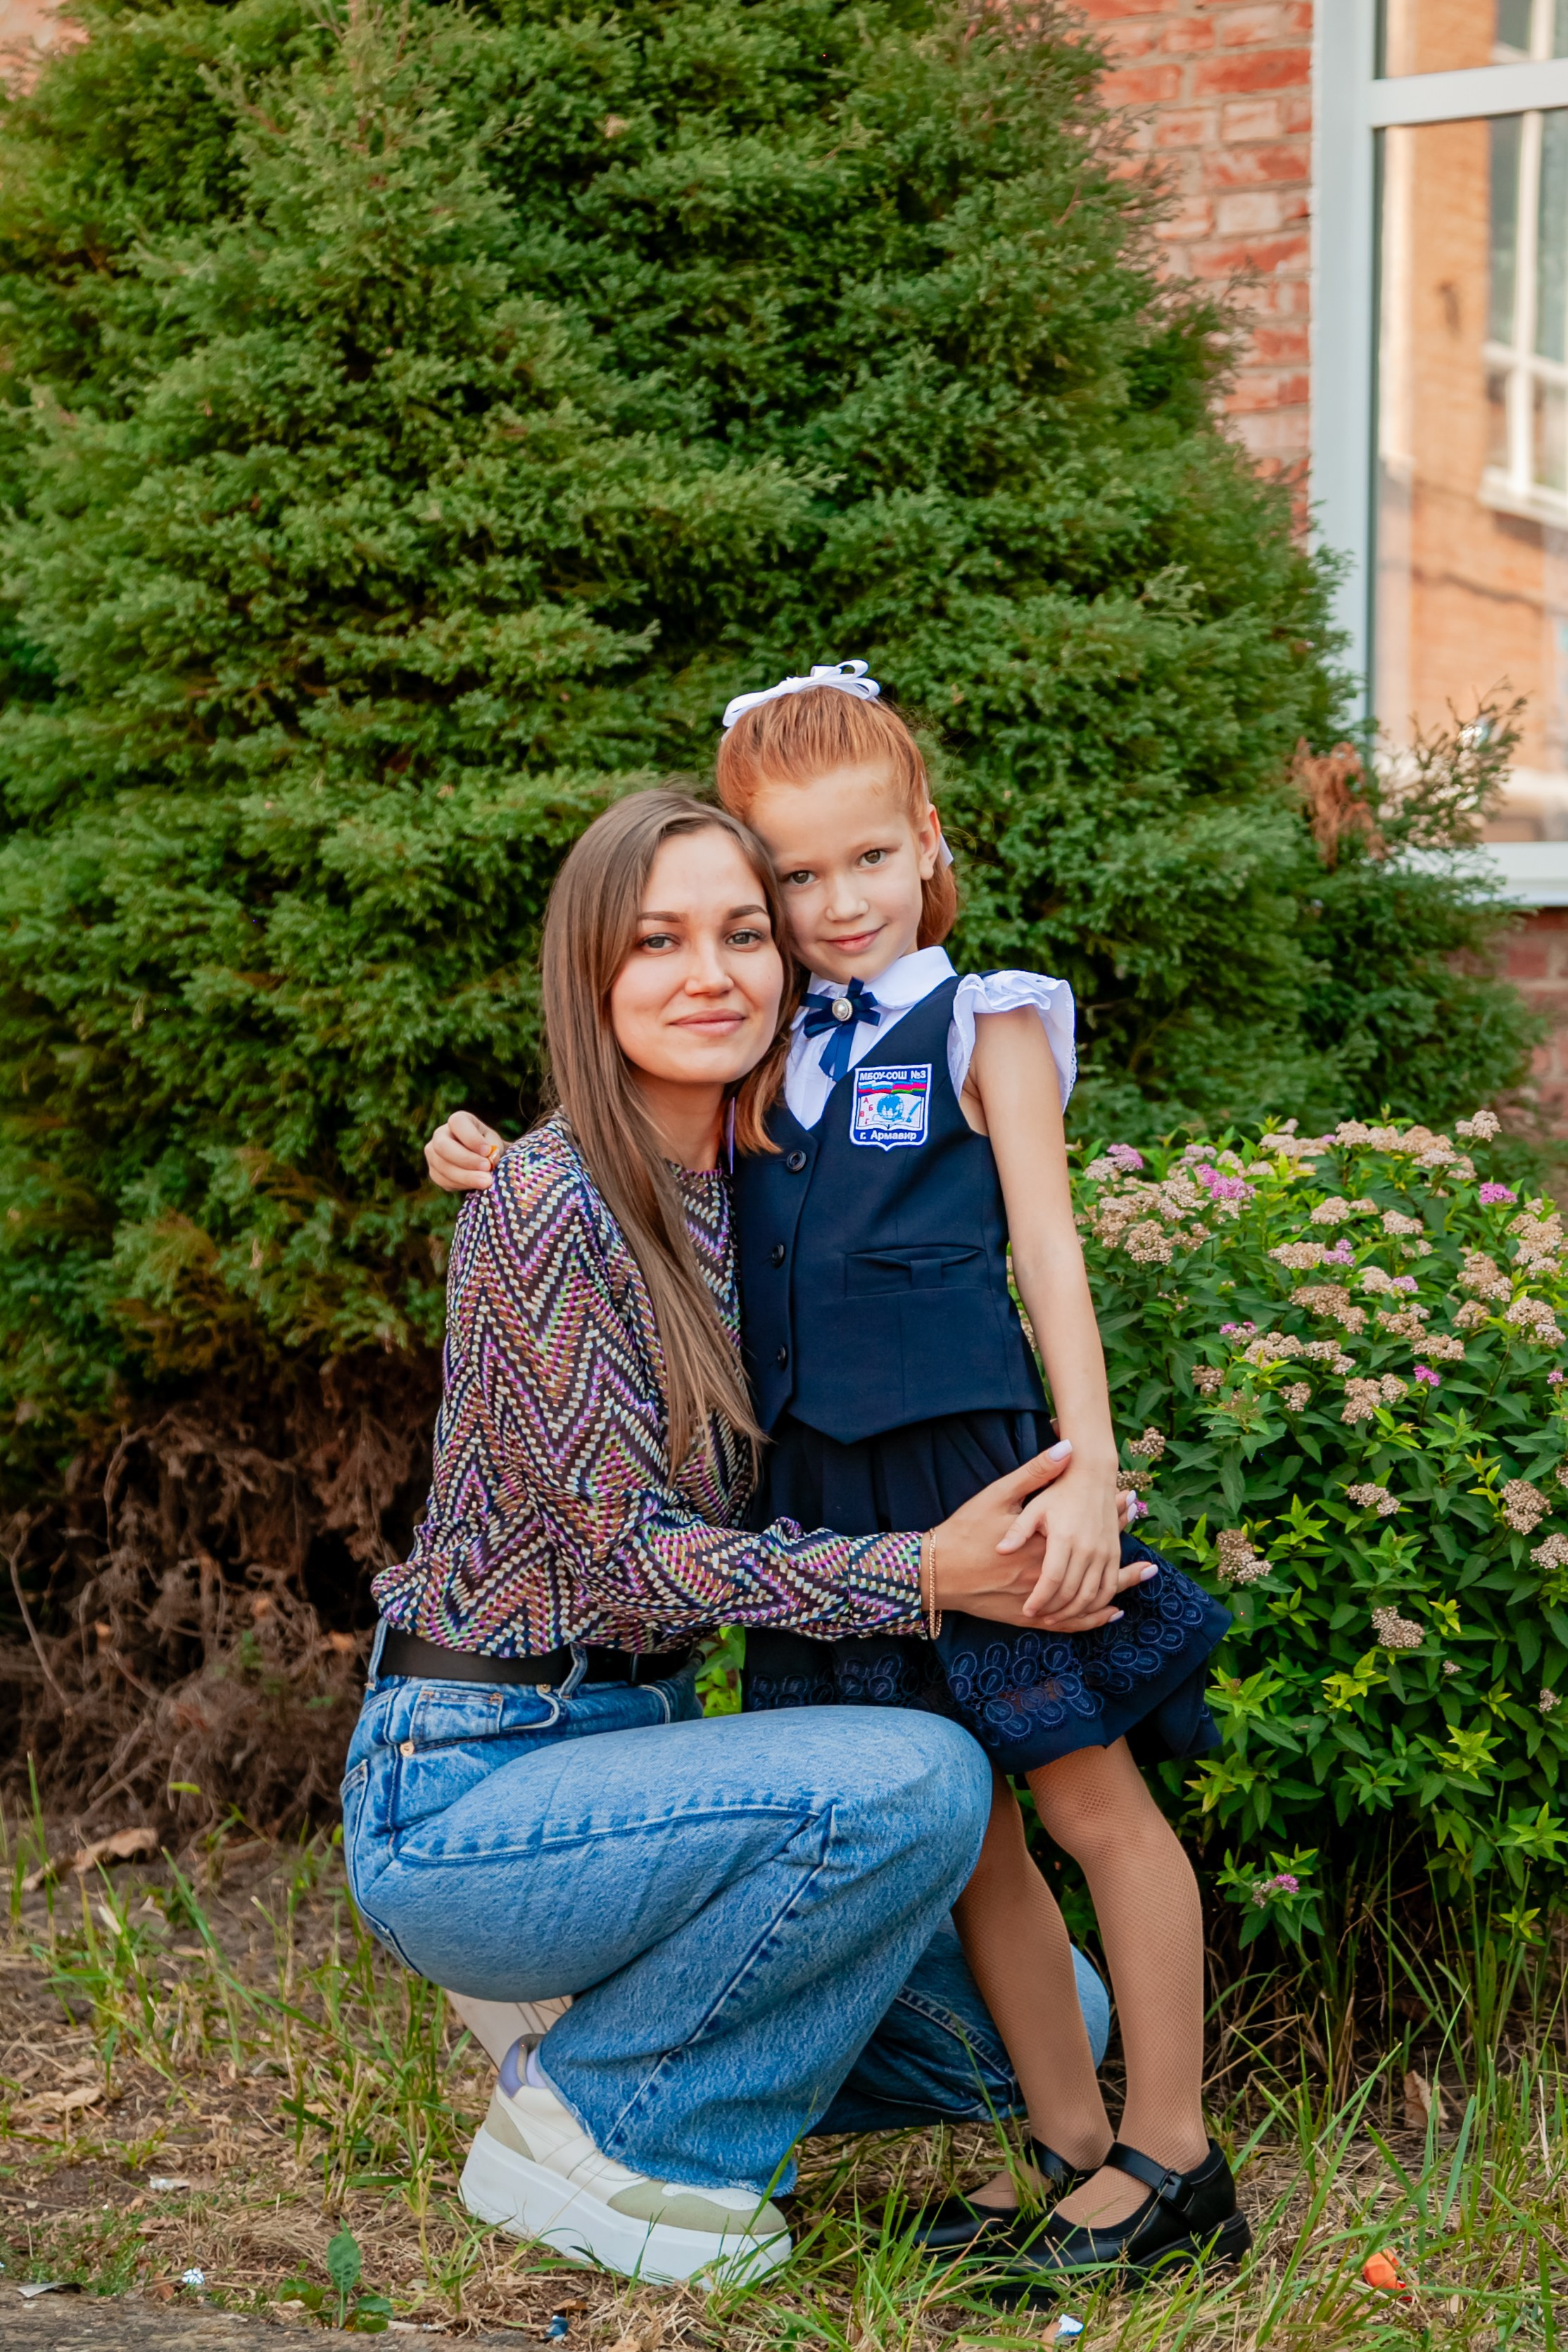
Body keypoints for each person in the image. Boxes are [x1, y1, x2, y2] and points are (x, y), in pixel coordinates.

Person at [429, 669, 1245, 2296]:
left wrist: (1088, 1469)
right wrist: (506, 1160)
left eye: (866, 859)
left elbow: (1048, 1253)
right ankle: (1068, 2154)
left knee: (1089, 1804)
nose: (837, 902)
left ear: (926, 841)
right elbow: (635, 1155)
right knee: (967, 1834)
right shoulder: (770, 1049)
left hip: (976, 1475)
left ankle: (1173, 2157)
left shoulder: (986, 1023)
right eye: (794, 877)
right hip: (826, 1509)